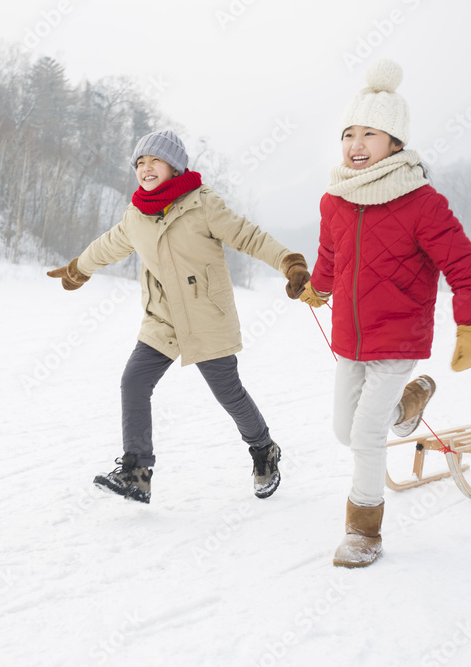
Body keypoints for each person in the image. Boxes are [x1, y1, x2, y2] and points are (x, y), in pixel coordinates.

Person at [48, 129, 310, 504]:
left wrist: (290, 263)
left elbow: (249, 237)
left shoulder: (204, 204)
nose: (145, 168)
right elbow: (110, 244)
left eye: (154, 160)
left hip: (206, 315)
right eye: (140, 162)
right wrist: (79, 268)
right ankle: (137, 473)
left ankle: (264, 450)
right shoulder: (137, 214)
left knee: (228, 394)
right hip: (163, 318)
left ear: (174, 166)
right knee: (134, 382)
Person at [298, 59, 471, 567]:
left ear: (395, 144)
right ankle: (409, 406)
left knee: (363, 436)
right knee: (344, 430)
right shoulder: (334, 200)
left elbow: (463, 265)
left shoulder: (421, 202)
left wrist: (470, 325)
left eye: (370, 134)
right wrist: (317, 289)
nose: (355, 144)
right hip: (349, 339)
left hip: (399, 338)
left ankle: (364, 531)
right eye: (349, 134)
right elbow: (330, 259)